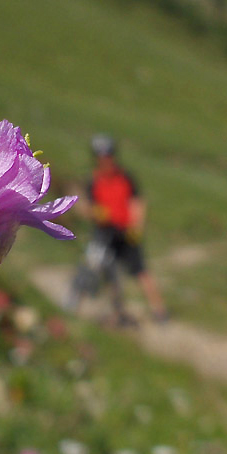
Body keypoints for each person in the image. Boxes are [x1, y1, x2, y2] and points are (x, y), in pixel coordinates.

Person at [73, 134, 168, 324]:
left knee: (141, 271)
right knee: (107, 273)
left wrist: (136, 226)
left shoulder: (126, 178)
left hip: (126, 232)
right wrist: (95, 213)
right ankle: (113, 311)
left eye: (108, 156)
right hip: (105, 232)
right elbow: (85, 208)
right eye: (101, 157)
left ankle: (159, 311)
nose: (106, 161)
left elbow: (137, 202)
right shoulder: (93, 180)